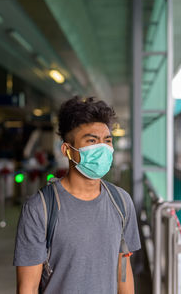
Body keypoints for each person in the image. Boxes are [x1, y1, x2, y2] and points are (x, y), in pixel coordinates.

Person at [13, 96, 141, 294]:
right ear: (68, 151)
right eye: (92, 141)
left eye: (107, 141)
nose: (102, 148)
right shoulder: (41, 208)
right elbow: (27, 288)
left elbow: (123, 272)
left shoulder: (122, 202)